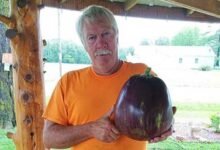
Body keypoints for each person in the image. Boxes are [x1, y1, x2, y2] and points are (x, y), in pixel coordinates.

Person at [42, 5, 176, 150]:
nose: (100, 43)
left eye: (106, 34)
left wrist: (166, 125)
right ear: (85, 44)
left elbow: (162, 112)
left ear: (117, 36)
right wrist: (90, 129)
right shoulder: (68, 82)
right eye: (92, 37)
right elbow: (49, 139)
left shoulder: (143, 74)